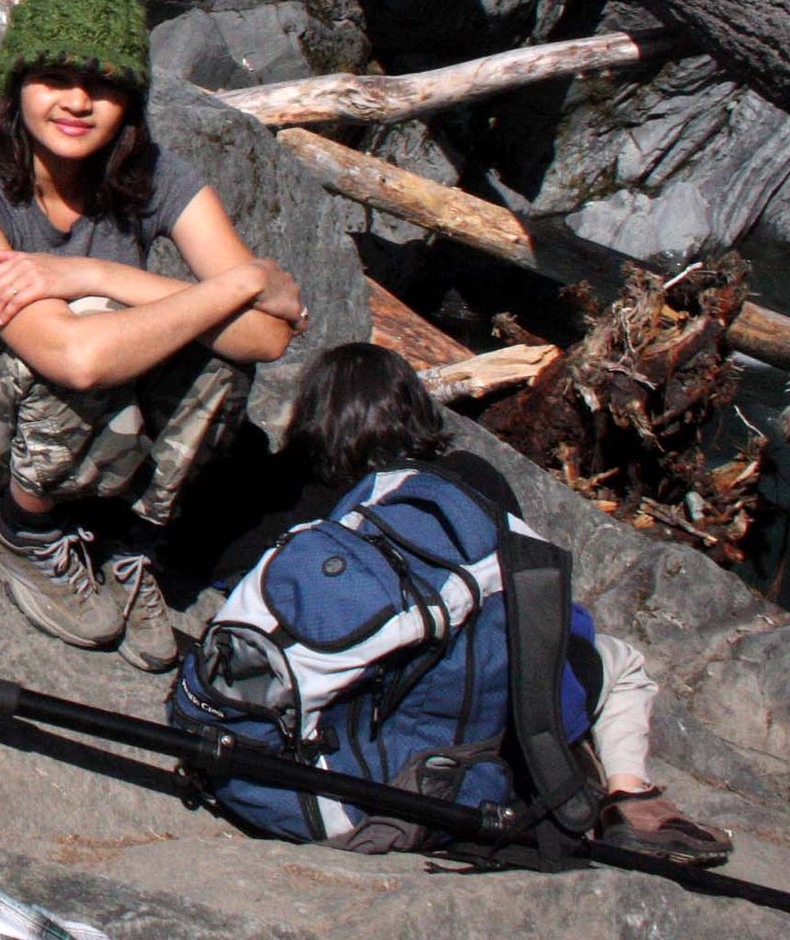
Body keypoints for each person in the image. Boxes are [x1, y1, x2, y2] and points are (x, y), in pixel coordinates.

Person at [0, 0, 305, 670]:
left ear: (131, 99)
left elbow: (266, 337)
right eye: (53, 77)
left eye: (103, 86)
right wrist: (244, 281)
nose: (78, 102)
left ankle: (127, 539)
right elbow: (71, 357)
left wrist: (99, 272)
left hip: (79, 429)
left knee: (213, 354)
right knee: (104, 325)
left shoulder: (159, 175)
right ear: (18, 84)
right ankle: (16, 528)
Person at [188, 342, 731, 865]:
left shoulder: (292, 492)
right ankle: (628, 794)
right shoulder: (469, 480)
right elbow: (533, 605)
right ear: (412, 407)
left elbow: (224, 573)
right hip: (474, 720)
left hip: (323, 716)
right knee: (620, 660)